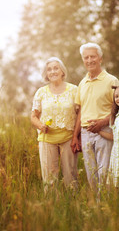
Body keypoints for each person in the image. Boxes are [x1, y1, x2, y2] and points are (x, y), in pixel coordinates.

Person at [71, 43, 119, 193]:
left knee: (104, 172)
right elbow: (81, 112)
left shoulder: (111, 81)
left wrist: (103, 122)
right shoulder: (82, 83)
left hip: (104, 131)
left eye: (93, 56)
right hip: (86, 133)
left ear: (100, 59)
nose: (89, 60)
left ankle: (106, 206)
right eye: (86, 57)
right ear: (83, 60)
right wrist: (75, 136)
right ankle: (96, 209)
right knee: (91, 173)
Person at [31, 57, 78, 189]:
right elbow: (33, 116)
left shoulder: (74, 90)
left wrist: (76, 136)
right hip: (47, 138)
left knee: (71, 176)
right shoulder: (41, 92)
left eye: (56, 68)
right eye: (49, 69)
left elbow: (80, 113)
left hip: (68, 138)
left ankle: (73, 204)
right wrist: (40, 125)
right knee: (50, 178)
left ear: (62, 71)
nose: (53, 71)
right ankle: (51, 206)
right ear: (46, 74)